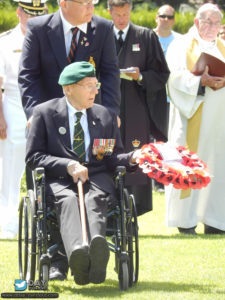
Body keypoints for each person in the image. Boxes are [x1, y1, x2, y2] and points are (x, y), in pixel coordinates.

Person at [26, 61, 139, 285]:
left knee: (94, 197)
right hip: (59, 181)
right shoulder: (44, 113)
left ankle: (97, 250)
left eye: (95, 85)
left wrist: (133, 158)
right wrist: (67, 165)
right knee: (68, 199)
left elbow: (112, 157)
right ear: (68, 88)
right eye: (88, 86)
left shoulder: (104, 116)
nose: (95, 91)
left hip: (96, 178)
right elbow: (33, 157)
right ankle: (78, 253)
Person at [166, 3, 225, 235]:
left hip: (219, 124)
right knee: (189, 163)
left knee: (217, 166)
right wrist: (200, 82)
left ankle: (215, 220)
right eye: (207, 21)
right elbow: (173, 78)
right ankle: (186, 220)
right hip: (192, 118)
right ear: (196, 22)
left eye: (216, 21)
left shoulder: (223, 46)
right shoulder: (181, 45)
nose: (211, 26)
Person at [107, 0, 170, 215]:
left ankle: (134, 207)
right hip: (106, 108)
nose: (122, 19)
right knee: (105, 151)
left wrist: (141, 76)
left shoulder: (146, 36)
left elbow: (162, 74)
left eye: (125, 14)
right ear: (109, 12)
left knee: (135, 151)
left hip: (137, 108)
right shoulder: (100, 35)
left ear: (130, 10)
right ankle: (106, 205)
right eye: (117, 15)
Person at [18, 0, 121, 127]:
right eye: (84, 3)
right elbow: (28, 75)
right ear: (64, 3)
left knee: (103, 147)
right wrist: (34, 114)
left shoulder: (103, 28)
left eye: (92, 2)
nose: (91, 7)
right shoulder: (38, 28)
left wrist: (110, 112)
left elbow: (110, 74)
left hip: (92, 120)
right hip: (48, 121)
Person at [0, 0, 47, 239]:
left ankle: (42, 222)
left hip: (44, 108)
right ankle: (8, 223)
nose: (33, 19)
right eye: (29, 14)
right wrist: (0, 118)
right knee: (10, 167)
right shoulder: (5, 41)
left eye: (38, 14)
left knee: (42, 168)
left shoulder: (49, 35)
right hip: (13, 109)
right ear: (19, 13)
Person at [153, 4, 181, 193]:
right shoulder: (148, 37)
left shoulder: (180, 40)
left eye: (170, 17)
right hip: (153, 96)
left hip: (175, 99)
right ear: (156, 17)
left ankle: (169, 175)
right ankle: (156, 178)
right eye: (163, 16)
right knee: (155, 140)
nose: (166, 20)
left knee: (171, 139)